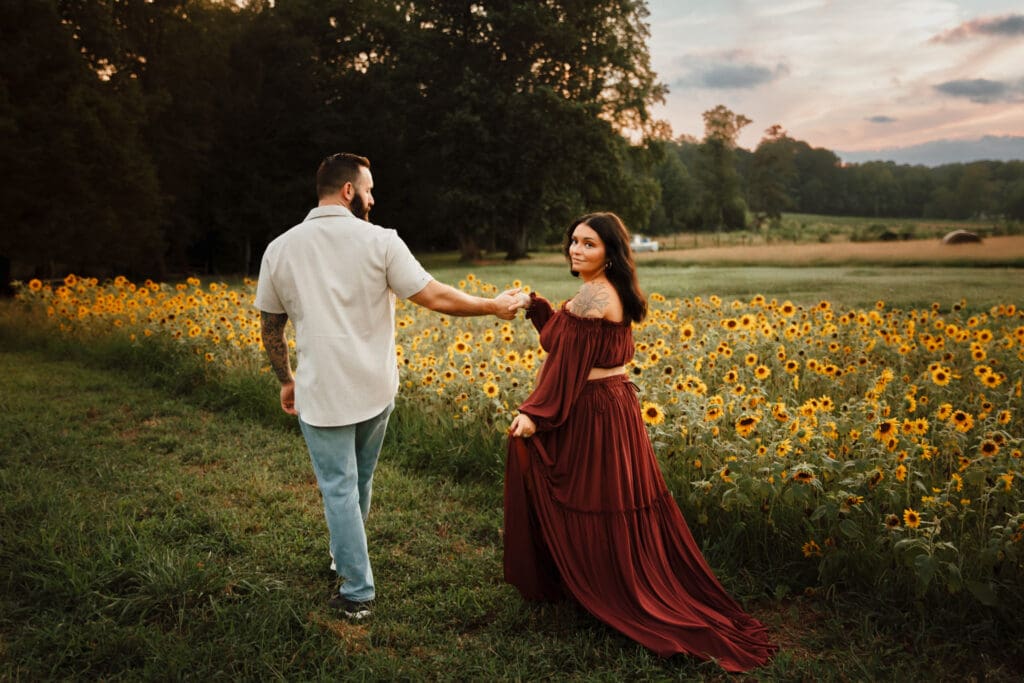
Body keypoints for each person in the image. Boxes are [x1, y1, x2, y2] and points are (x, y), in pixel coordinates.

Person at [504, 212, 776, 672]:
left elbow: (567, 364)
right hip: (612, 406)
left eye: (589, 244)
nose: (576, 249)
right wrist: (537, 306)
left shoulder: (594, 296)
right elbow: (563, 342)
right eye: (574, 241)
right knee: (610, 497)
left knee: (592, 495)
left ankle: (609, 587)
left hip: (593, 409)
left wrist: (536, 412)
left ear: (609, 252)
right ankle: (602, 577)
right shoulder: (603, 290)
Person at [256, 152, 522, 620]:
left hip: (322, 392)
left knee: (339, 488)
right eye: (369, 189)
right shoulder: (382, 241)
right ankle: (349, 567)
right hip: (376, 387)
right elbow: (433, 295)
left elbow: (270, 328)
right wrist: (492, 306)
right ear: (348, 191)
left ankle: (356, 588)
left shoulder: (280, 248)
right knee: (359, 480)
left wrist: (286, 380)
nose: (373, 198)